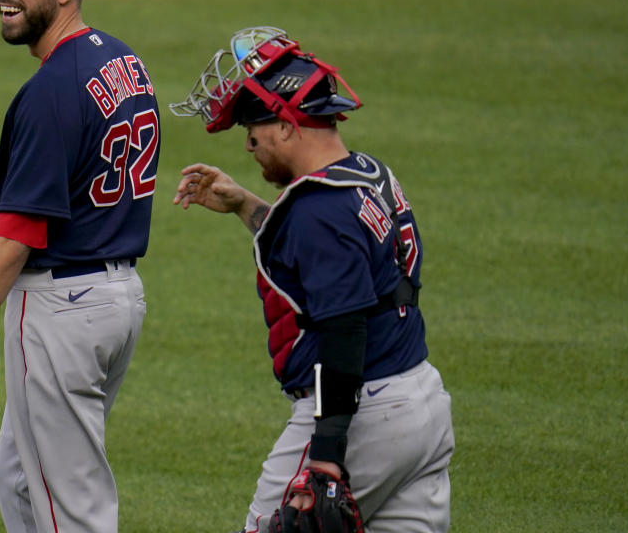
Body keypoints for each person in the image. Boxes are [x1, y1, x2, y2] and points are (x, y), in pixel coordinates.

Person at [170, 26, 453, 532]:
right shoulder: (368, 174)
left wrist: (325, 455)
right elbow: (327, 256)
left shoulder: (317, 212)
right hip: (423, 407)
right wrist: (244, 205)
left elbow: (343, 331)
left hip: (361, 417)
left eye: (251, 128)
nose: (249, 144)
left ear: (284, 125)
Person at [0, 0, 161, 533]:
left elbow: (18, 233)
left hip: (63, 309)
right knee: (19, 477)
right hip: (117, 300)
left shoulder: (51, 90)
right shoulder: (123, 62)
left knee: (71, 508)